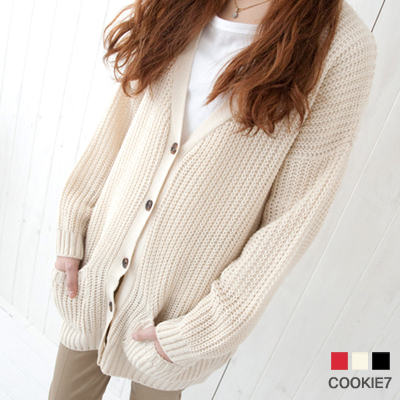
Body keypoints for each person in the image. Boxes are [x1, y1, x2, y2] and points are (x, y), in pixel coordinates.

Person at [48, 0, 377, 398]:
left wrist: (205, 329)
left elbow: (292, 218)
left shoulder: (342, 47)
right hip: (93, 278)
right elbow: (122, 119)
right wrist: (73, 227)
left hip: (176, 323)